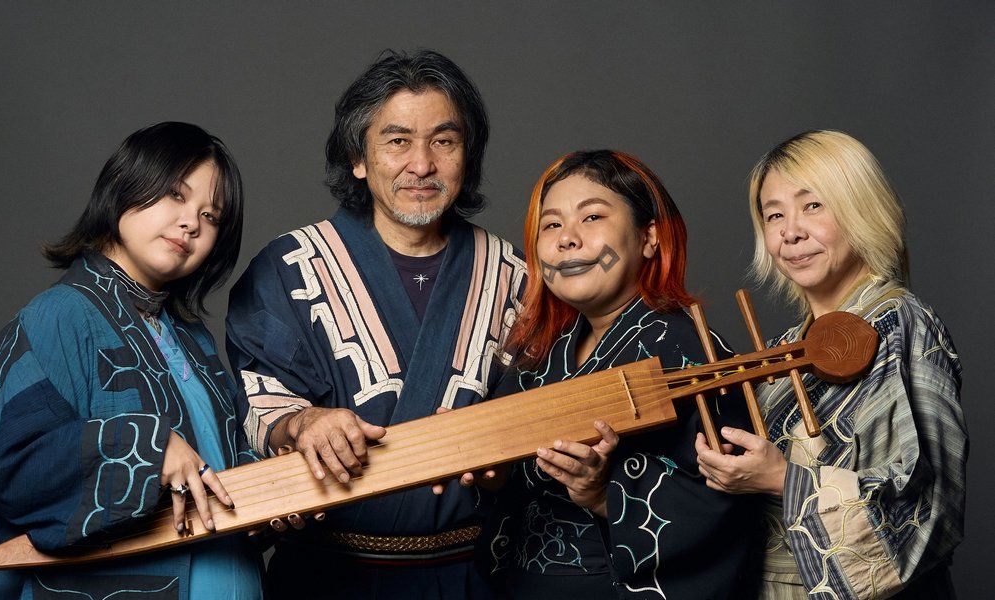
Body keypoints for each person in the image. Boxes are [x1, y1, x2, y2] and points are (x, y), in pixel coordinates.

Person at [226, 49, 525, 599]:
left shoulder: (515, 275)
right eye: (396, 141)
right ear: (358, 160)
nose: (422, 164)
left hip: (475, 577)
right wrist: (302, 422)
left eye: (444, 140)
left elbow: (540, 419)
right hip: (326, 578)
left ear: (467, 156)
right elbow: (243, 409)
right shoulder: (286, 268)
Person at [0, 122, 264, 599]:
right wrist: (147, 447)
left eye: (211, 215)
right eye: (174, 195)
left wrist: (277, 492)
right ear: (125, 185)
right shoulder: (58, 317)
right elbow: (13, 467)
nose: (192, 223)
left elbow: (222, 470)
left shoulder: (193, 339)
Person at [695, 130, 966, 599]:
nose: (790, 231)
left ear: (861, 206)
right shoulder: (781, 349)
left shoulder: (900, 324)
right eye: (773, 214)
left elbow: (929, 505)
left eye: (813, 206)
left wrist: (784, 479)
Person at [481, 150, 759, 599]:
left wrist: (601, 494)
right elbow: (504, 484)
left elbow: (728, 504)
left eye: (591, 217)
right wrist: (484, 468)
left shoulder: (689, 349)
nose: (566, 239)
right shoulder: (536, 354)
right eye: (550, 225)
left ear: (649, 236)